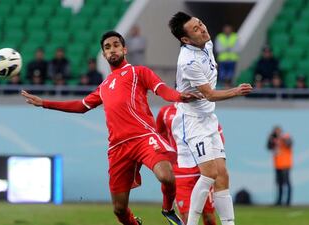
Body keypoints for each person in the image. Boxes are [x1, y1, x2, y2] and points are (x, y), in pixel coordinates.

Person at [21, 31, 202, 225]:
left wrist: (179, 97)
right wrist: (45, 103)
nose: (112, 49)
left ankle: (167, 210)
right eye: (107, 47)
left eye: (116, 45)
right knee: (119, 209)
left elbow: (162, 89)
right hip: (117, 148)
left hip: (143, 137)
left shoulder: (138, 72)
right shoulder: (104, 85)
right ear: (104, 54)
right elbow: (81, 106)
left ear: (124, 49)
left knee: (166, 176)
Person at [168, 12, 253, 225]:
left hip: (208, 117)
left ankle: (229, 223)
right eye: (196, 29)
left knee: (222, 174)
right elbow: (209, 94)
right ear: (185, 40)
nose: (203, 29)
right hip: (192, 120)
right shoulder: (187, 62)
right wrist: (236, 91)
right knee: (209, 174)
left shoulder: (206, 44)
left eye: (201, 23)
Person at [156, 103, 223, 225]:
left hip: (202, 172)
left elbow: (217, 135)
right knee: (187, 217)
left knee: (208, 217)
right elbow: (160, 135)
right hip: (180, 172)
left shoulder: (203, 110)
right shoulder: (165, 113)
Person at [267, 126, 293, 206]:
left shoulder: (285, 138)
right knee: (279, 184)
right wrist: (271, 139)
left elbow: (289, 144)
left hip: (285, 164)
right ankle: (279, 201)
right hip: (278, 164)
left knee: (287, 183)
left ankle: (288, 202)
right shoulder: (273, 140)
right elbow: (268, 146)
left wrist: (282, 139)